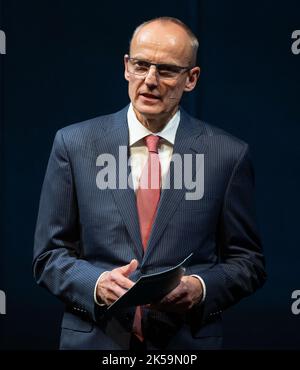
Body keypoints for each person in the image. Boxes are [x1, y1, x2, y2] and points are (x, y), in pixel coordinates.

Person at [33, 16, 266, 350]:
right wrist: (96, 283)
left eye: (167, 70)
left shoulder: (227, 155)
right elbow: (48, 255)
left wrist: (200, 287)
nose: (150, 80)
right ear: (127, 67)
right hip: (97, 341)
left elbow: (249, 263)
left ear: (192, 79)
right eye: (141, 65)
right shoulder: (74, 144)